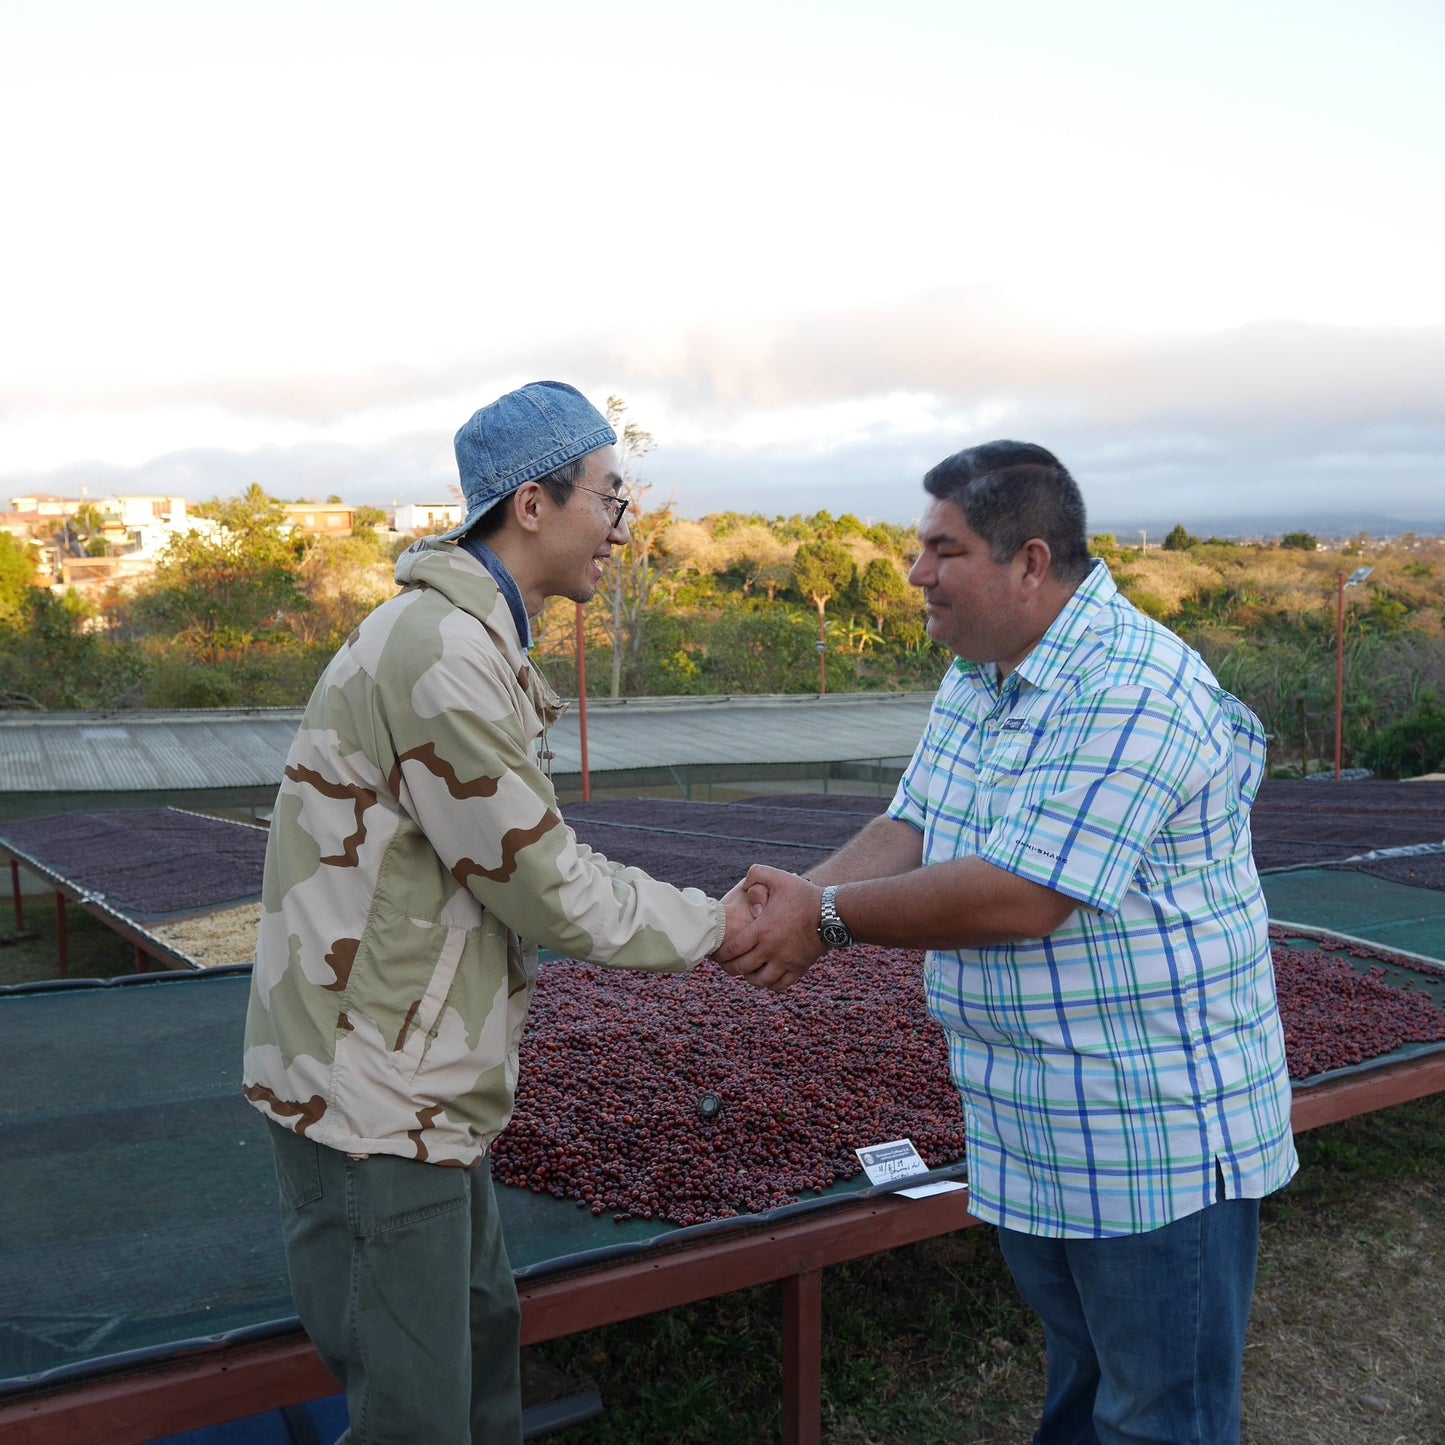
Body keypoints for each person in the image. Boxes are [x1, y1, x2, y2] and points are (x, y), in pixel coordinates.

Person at [716, 440, 1298, 1444]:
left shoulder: (1131, 689)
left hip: (1146, 1136)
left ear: (1029, 562)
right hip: (1032, 1126)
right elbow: (912, 825)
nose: (913, 572)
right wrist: (799, 893)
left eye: (941, 549)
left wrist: (821, 920)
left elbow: (1023, 895)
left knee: (1157, 1417)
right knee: (1081, 1388)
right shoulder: (982, 675)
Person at [243, 381, 752, 1444]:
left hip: (420, 1088)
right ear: (532, 502)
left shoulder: (464, 637)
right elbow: (547, 883)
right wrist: (724, 922)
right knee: (416, 1414)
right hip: (374, 1099)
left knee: (475, 1359)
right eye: (611, 499)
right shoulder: (440, 654)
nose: (624, 525)